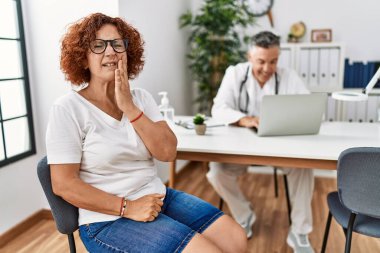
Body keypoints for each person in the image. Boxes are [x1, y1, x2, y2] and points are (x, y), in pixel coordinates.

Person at [46, 13, 247, 253]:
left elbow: (167, 152)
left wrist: (129, 107)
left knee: (236, 240)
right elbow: (64, 185)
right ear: (83, 57)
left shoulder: (141, 99)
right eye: (98, 46)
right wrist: (127, 207)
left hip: (157, 197)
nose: (110, 52)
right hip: (106, 220)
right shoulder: (67, 108)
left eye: (117, 44)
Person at [206, 31, 315, 253]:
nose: (267, 68)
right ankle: (244, 214)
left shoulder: (288, 76)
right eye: (261, 61)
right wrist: (244, 119)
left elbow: (308, 108)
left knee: (303, 169)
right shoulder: (235, 74)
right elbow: (219, 109)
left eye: (273, 61)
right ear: (249, 57)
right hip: (241, 150)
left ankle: (299, 232)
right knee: (216, 172)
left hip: (280, 150)